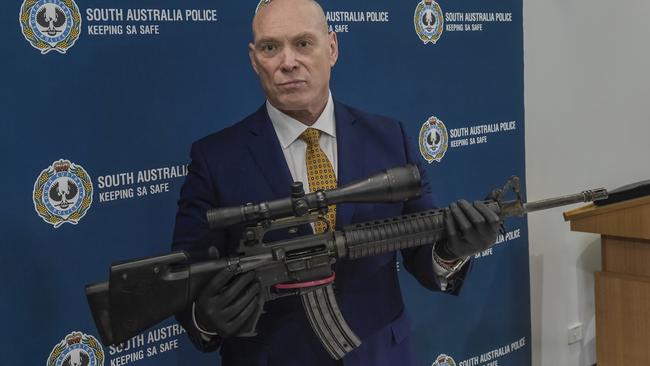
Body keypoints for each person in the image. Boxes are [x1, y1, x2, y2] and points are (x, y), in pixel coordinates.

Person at [171, 1, 501, 365]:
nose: (288, 62)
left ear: (332, 48)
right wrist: (205, 317)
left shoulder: (390, 139)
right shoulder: (216, 158)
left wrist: (453, 251)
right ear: (254, 59)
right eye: (270, 47)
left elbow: (424, 254)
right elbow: (188, 277)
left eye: (303, 43)